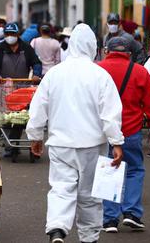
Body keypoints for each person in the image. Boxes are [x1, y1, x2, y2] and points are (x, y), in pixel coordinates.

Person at [26, 23, 124, 243]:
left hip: (60, 143)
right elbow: (110, 113)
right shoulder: (100, 75)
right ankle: (89, 237)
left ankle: (57, 229)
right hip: (93, 145)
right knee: (90, 194)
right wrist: (116, 141)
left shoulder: (54, 74)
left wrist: (35, 137)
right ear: (93, 46)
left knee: (61, 188)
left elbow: (39, 107)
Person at [98, 36, 150, 233]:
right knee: (134, 169)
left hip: (104, 131)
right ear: (130, 53)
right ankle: (132, 213)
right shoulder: (139, 71)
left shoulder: (98, 69)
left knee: (109, 169)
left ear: (107, 50)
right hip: (130, 129)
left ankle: (109, 219)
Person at [0, 22, 42, 158]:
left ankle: (13, 145)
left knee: (20, 118)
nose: (10, 37)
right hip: (4, 88)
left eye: (13, 34)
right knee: (6, 117)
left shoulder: (26, 48)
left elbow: (36, 63)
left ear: (18, 34)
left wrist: (36, 74)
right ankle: (9, 144)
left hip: (23, 89)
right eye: (8, 34)